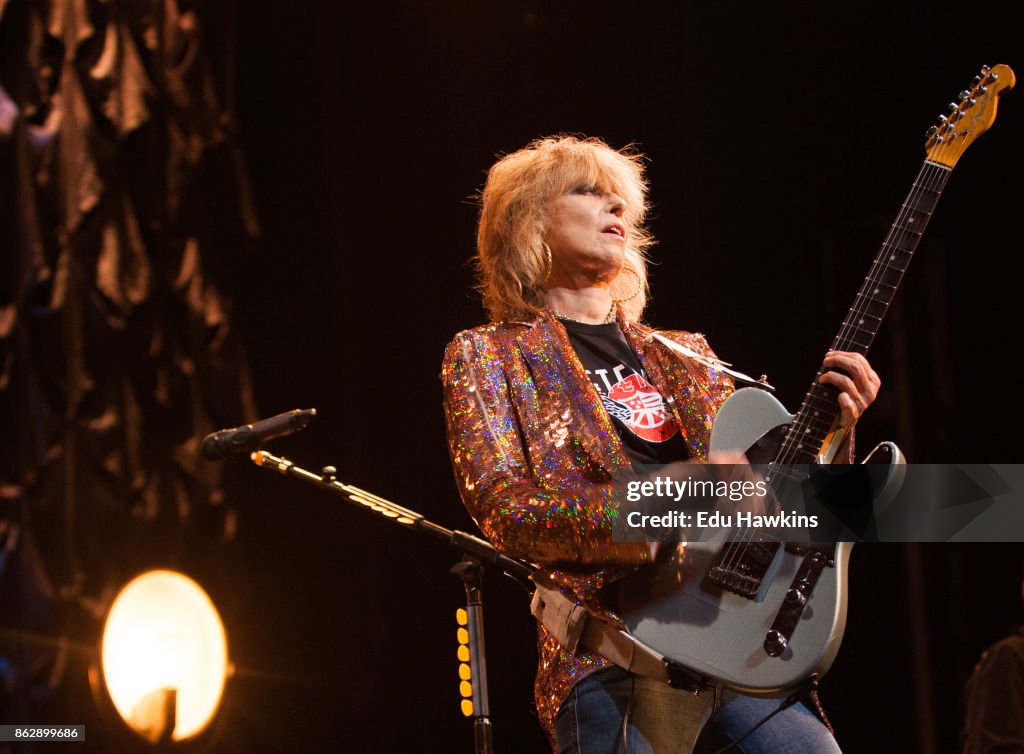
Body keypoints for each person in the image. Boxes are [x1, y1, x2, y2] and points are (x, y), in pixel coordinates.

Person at [441, 135, 880, 753]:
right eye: (588, 192)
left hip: (741, 646)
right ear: (528, 220)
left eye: (621, 200)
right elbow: (508, 512)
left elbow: (790, 512)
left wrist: (838, 431)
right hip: (616, 654)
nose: (614, 208)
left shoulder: (689, 353)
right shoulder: (489, 355)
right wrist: (673, 496)